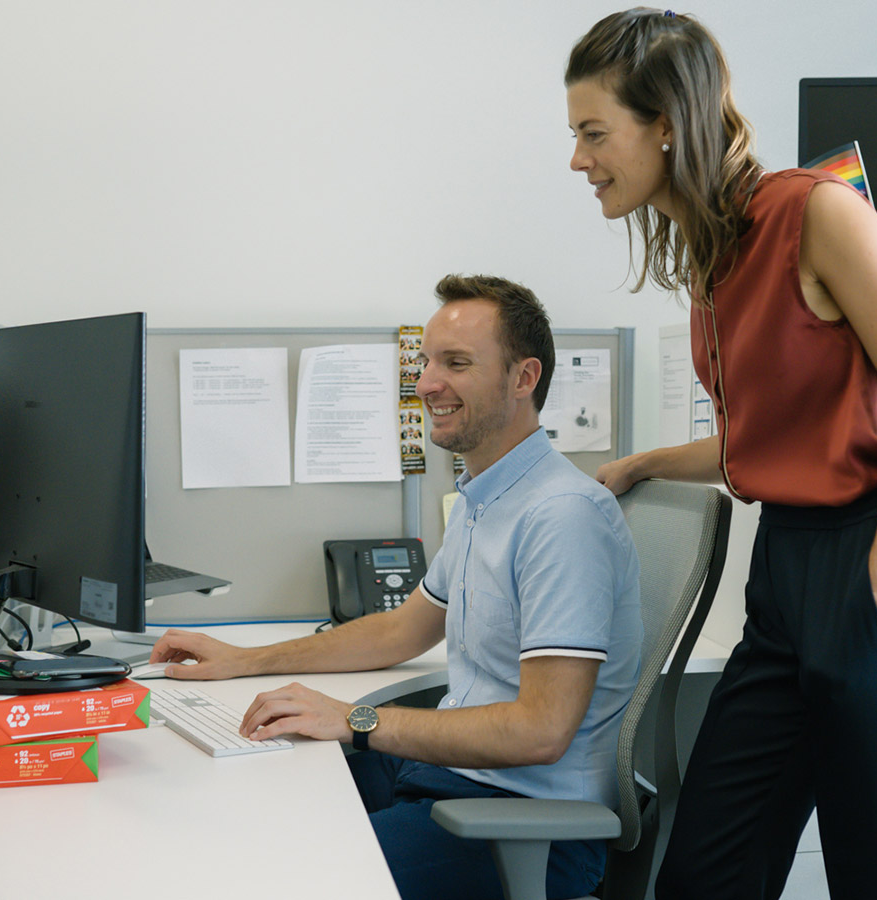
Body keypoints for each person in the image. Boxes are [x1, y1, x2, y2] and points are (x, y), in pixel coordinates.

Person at [564, 10, 877, 900]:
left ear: (667, 126)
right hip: (787, 580)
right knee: (705, 875)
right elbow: (772, 439)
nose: (579, 159)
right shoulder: (715, 255)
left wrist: (868, 603)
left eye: (594, 133)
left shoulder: (816, 214)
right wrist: (645, 464)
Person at [150, 274, 642, 900]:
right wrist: (247, 661)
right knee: (244, 806)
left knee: (279, 877)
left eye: (456, 363)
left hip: (520, 827)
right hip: (447, 779)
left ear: (524, 379)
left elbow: (539, 730)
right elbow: (399, 628)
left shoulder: (562, 516)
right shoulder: (482, 500)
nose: (426, 384)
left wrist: (356, 719)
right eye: (426, 362)